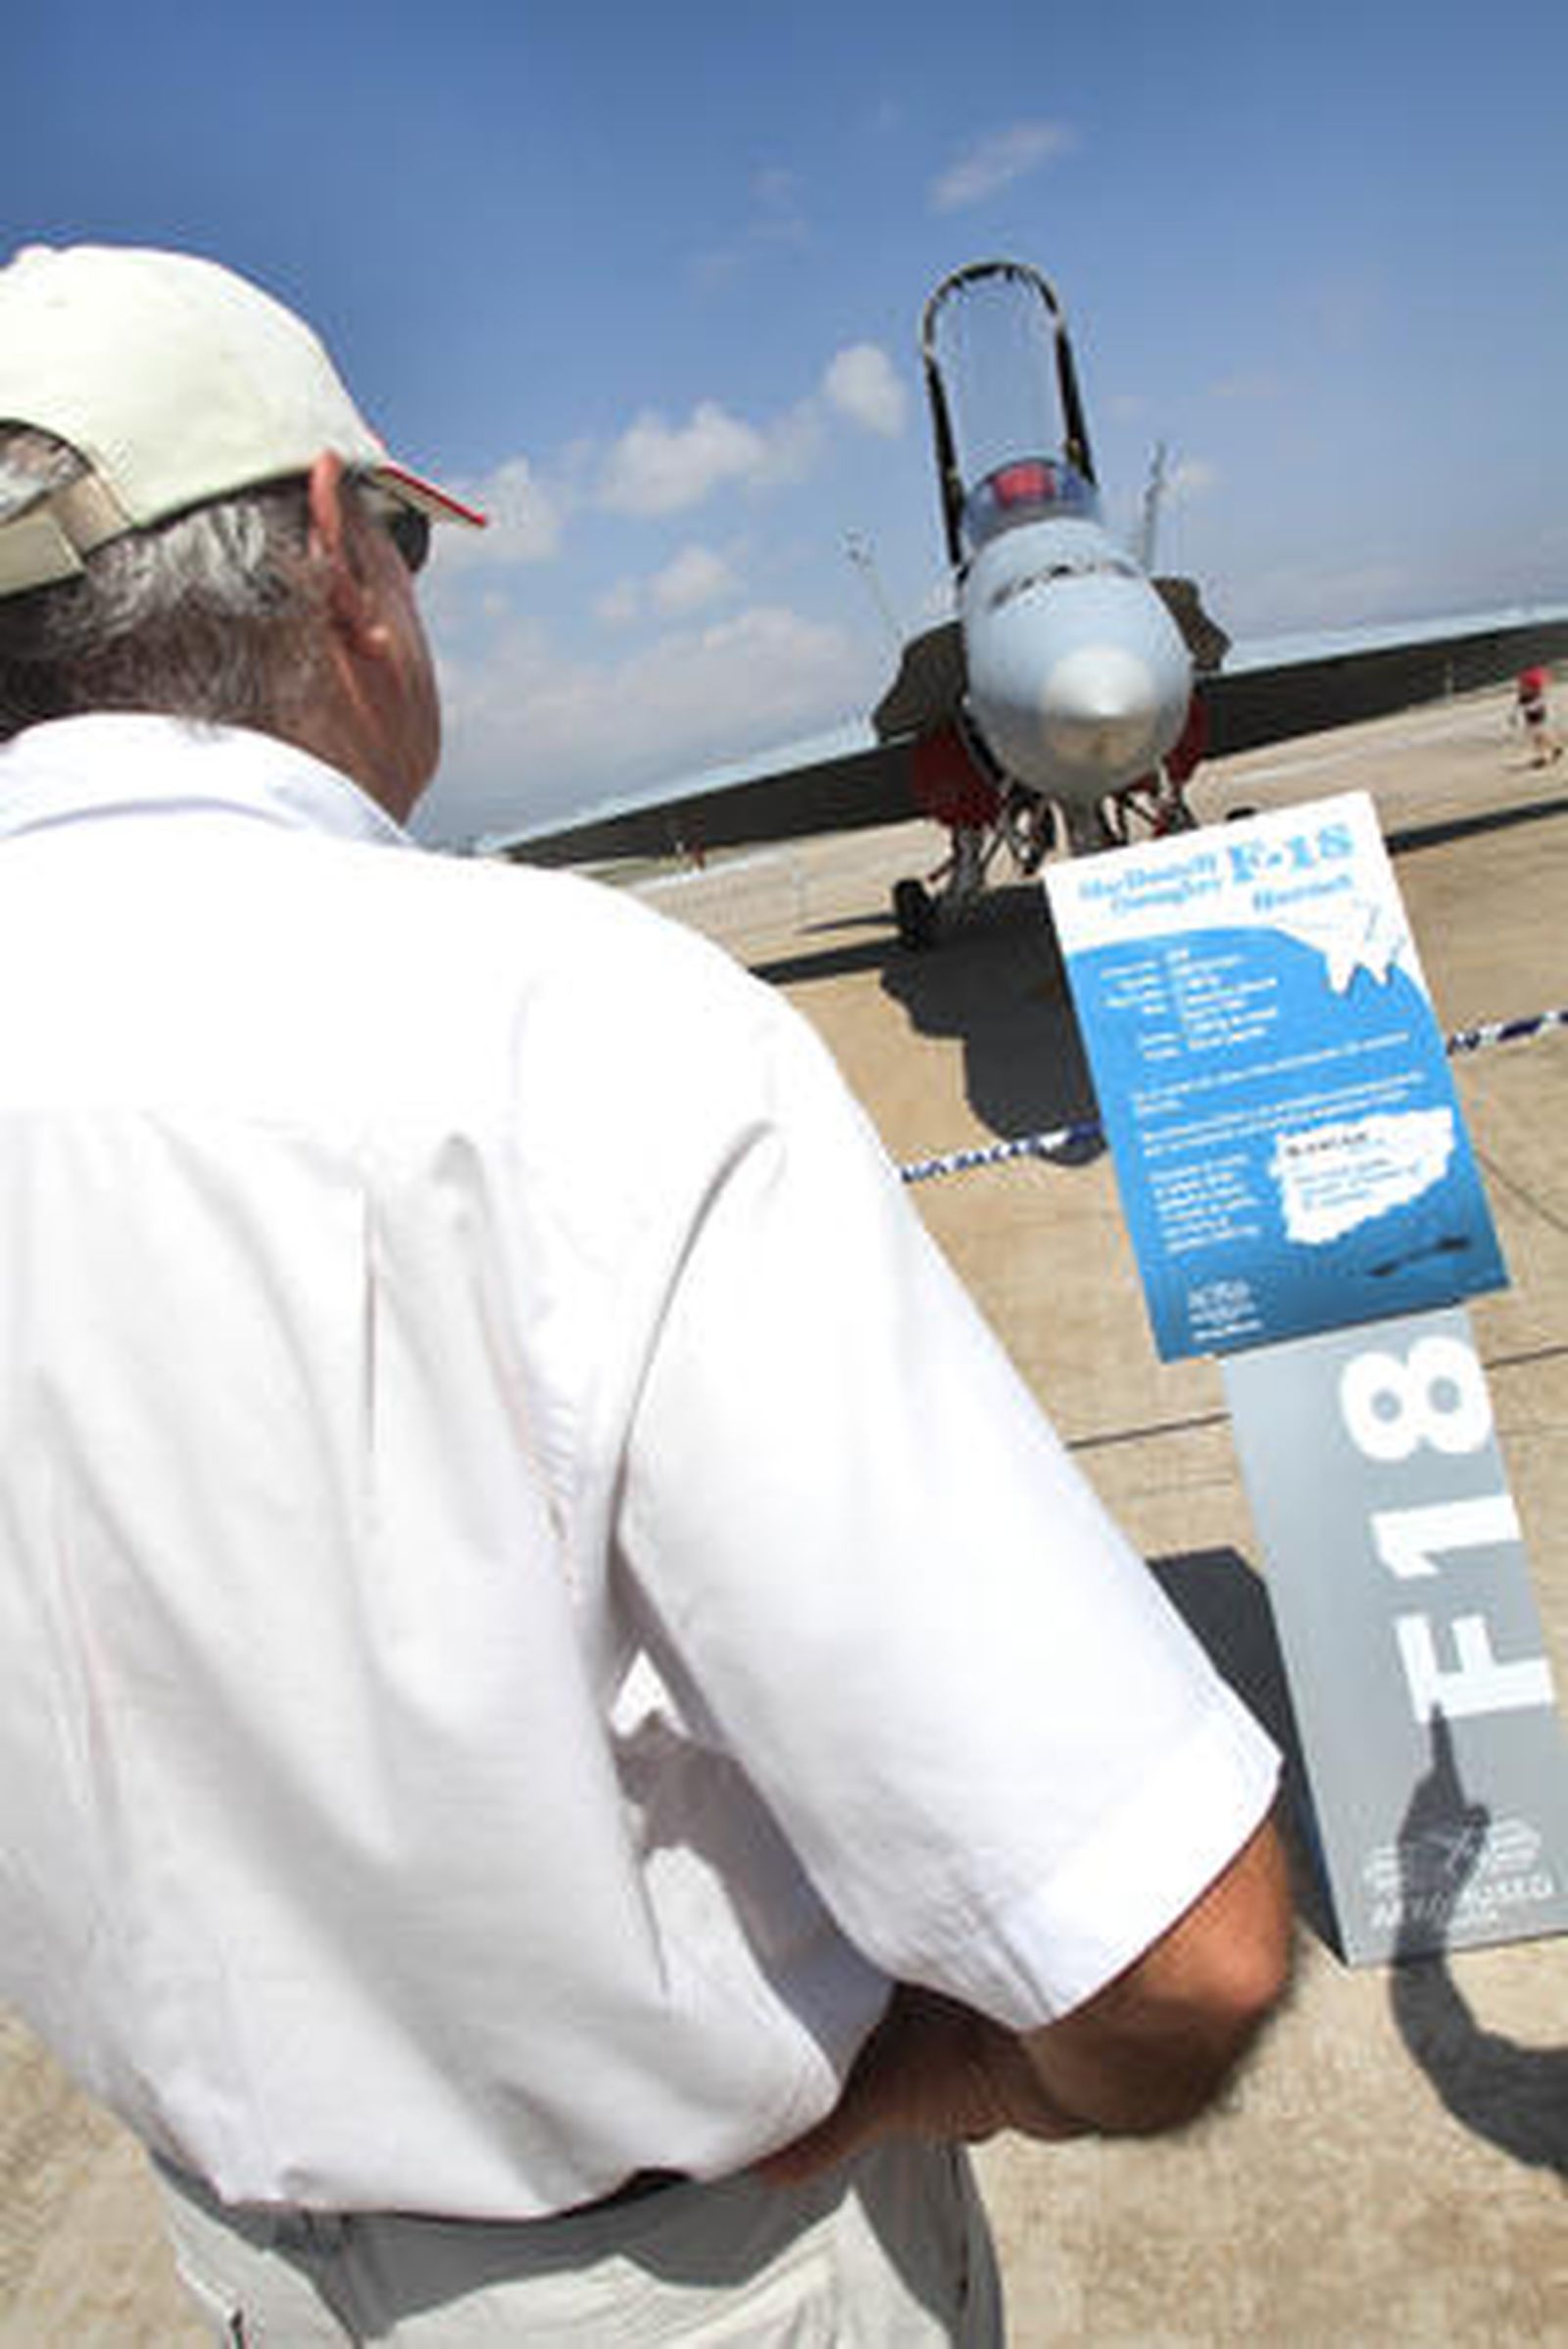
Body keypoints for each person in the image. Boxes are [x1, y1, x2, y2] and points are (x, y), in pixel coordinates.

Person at [0, 242, 1291, 2345]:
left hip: (229, 2279)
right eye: (406, 538)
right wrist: (974, 2070)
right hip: (705, 2283)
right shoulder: (570, 1029)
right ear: (335, 552)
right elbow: (1182, 1957)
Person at [1515, 665, 1562, 766]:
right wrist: (1514, 715)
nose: (1521, 687)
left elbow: (1536, 706)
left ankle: (1543, 757)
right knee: (1540, 738)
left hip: (1539, 720)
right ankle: (1554, 748)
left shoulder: (1537, 696)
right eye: (1521, 685)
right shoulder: (1523, 697)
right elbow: (1518, 706)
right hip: (1531, 722)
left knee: (1539, 738)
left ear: (1533, 687)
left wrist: (1527, 707)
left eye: (1524, 686)